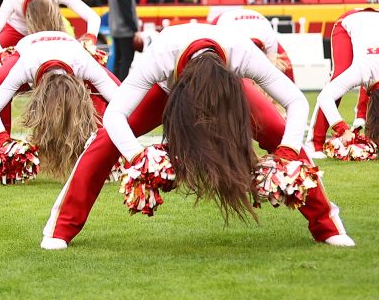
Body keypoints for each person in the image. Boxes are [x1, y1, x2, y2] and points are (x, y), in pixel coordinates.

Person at [41, 23, 352, 250]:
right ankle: (60, 229)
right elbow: (114, 116)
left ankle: (327, 226)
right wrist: (137, 156)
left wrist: (286, 150)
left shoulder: (242, 53)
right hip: (168, 92)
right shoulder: (160, 56)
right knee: (104, 142)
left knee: (281, 134)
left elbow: (296, 101)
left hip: (228, 93)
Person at [0, 0, 102, 146]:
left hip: (53, 31)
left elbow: (93, 17)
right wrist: (1, 54)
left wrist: (90, 39)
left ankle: (93, 128)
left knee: (84, 68)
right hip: (16, 32)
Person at [0, 31, 119, 181]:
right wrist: (6, 144)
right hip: (28, 46)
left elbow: (122, 104)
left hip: (72, 47)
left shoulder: (84, 64)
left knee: (118, 92)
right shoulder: (26, 67)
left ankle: (103, 161)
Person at [310, 8, 376, 157]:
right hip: (348, 22)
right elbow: (325, 97)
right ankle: (315, 144)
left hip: (372, 22)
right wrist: (343, 129)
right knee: (338, 76)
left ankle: (360, 117)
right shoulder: (362, 69)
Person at [107, 0, 138, 81]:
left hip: (115, 29)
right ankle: (121, 85)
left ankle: (115, 84)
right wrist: (134, 29)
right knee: (126, 60)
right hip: (125, 30)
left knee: (118, 60)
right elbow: (127, 13)